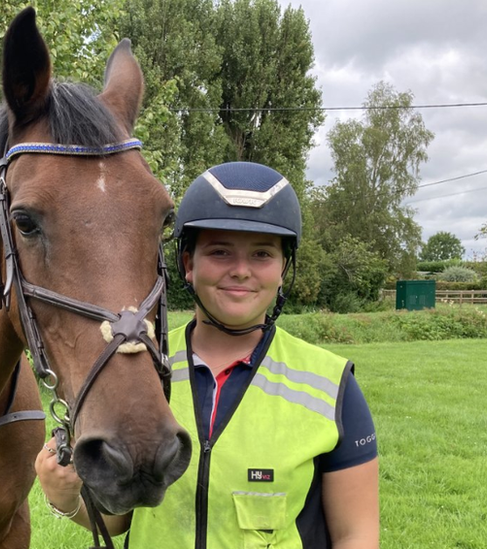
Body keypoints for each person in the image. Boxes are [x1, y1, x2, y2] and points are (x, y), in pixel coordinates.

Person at [35, 162, 379, 548]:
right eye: (220, 252)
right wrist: (66, 499)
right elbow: (120, 522)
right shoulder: (136, 369)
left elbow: (356, 534)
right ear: (187, 264)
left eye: (263, 254)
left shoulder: (332, 386)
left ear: (284, 268)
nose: (242, 271)